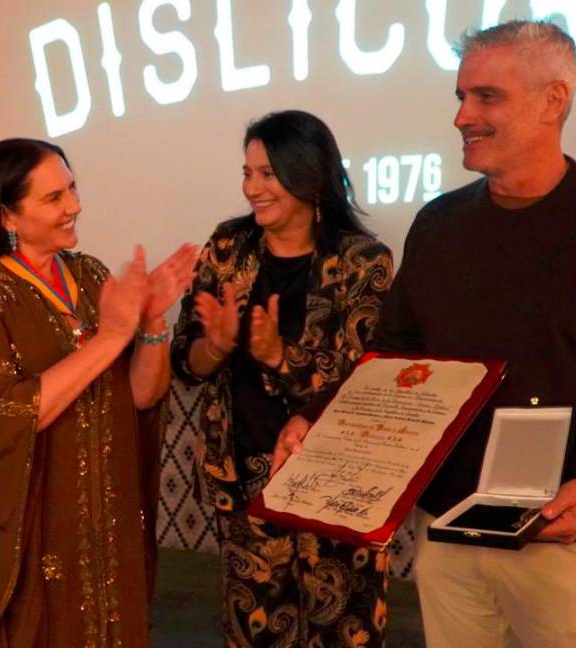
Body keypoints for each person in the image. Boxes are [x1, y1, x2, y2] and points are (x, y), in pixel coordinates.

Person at [275, 20, 576, 648]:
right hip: (449, 534)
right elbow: (393, 359)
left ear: (554, 100)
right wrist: (317, 419)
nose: (463, 116)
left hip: (571, 548)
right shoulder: (438, 225)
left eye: (486, 96)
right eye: (460, 97)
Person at [0, 138, 197, 647]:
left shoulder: (89, 273)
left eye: (72, 189)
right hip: (39, 520)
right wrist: (112, 337)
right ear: (7, 216)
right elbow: (7, 410)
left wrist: (150, 325)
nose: (74, 205)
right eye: (53, 197)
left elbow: (142, 397)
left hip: (109, 513)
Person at [170, 110, 394, 646]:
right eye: (247, 173)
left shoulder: (364, 262)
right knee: (256, 633)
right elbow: (185, 361)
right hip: (247, 479)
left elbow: (363, 383)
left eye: (267, 174)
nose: (253, 188)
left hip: (340, 487)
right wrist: (217, 346)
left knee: (343, 631)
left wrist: (278, 356)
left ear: (309, 175)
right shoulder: (228, 248)